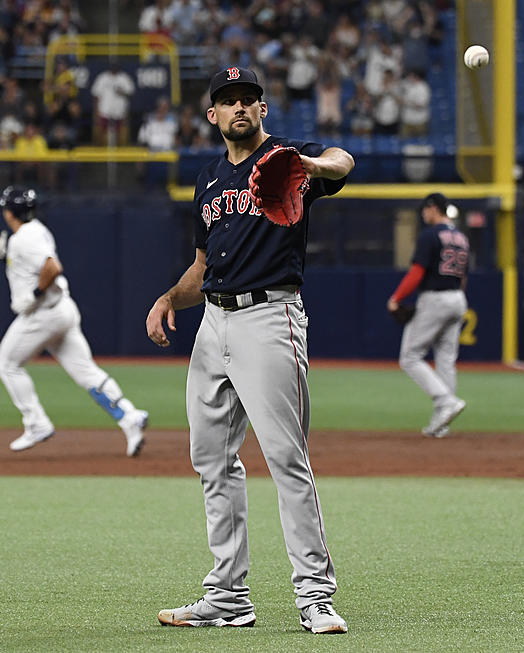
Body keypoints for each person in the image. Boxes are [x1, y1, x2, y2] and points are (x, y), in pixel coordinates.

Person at [145, 67, 354, 635]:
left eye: (249, 99)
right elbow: (202, 266)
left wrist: (311, 167)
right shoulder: (208, 179)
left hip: (270, 316)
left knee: (286, 458)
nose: (239, 108)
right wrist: (169, 299)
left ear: (262, 109)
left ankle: (314, 595)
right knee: (212, 459)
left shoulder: (289, 157)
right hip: (213, 321)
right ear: (211, 116)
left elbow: (343, 160)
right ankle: (228, 597)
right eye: (228, 101)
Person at [0, 186, 149, 456]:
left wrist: (35, 294)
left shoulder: (24, 238)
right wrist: (4, 255)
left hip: (42, 315)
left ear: (10, 212)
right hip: (63, 310)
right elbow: (35, 264)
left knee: (7, 364)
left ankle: (36, 423)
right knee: (88, 373)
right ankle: (130, 417)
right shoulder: (33, 231)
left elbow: (52, 267)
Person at [387, 193, 469, 438]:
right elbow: (463, 276)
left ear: (434, 208)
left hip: (435, 298)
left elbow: (417, 272)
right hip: (457, 298)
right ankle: (441, 424)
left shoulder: (431, 235)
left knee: (410, 356)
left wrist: (396, 298)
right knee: (445, 358)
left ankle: (446, 402)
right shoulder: (461, 237)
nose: (424, 214)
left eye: (425, 209)